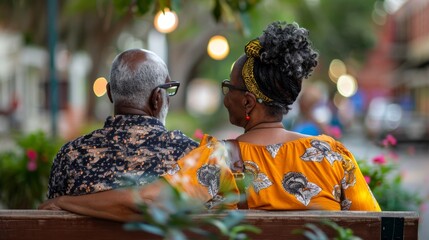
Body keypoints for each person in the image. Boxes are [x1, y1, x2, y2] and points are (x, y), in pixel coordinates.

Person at [40, 22, 380, 221]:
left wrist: (63, 202)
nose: (224, 96)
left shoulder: (217, 162)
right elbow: (372, 224)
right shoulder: (333, 156)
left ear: (248, 102)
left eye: (227, 88)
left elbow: (145, 202)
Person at [46, 48, 199, 199]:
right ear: (157, 98)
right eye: (168, 90)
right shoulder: (189, 155)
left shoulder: (71, 156)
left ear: (109, 93)